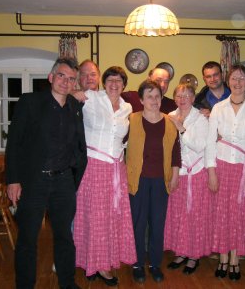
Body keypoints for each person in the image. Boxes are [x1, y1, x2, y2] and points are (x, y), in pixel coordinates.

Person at [5, 57, 87, 289]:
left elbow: (78, 145)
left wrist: (73, 179)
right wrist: (13, 179)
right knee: (28, 238)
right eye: (61, 76)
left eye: (71, 79)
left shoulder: (74, 107)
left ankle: (67, 283)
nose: (65, 82)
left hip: (63, 182)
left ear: (74, 84)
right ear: (51, 77)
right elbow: (14, 143)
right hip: (34, 181)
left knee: (64, 236)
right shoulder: (29, 102)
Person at [73, 66, 137, 286]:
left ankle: (102, 263)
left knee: (111, 218)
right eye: (110, 80)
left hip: (116, 168)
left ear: (124, 85)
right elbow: (67, 97)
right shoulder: (92, 97)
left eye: (119, 80)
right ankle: (96, 265)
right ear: (104, 82)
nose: (114, 84)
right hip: (94, 165)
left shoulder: (127, 107)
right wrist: (75, 91)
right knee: (94, 217)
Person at [206, 64, 245, 281]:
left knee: (239, 216)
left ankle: (235, 259)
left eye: (241, 79)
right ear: (228, 82)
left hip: (241, 169)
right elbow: (211, 142)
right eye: (234, 79)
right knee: (221, 214)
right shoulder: (219, 108)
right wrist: (211, 172)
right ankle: (222, 257)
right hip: (220, 166)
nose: (237, 83)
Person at [126, 79, 181, 283]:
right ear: (141, 99)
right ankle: (138, 264)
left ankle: (155, 264)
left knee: (158, 224)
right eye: (149, 96)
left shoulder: (170, 122)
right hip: (138, 181)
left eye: (157, 96)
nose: (154, 100)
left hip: (161, 181)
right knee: (138, 224)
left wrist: (175, 174)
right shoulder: (130, 119)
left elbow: (176, 151)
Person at [164, 83, 212, 275]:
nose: (182, 99)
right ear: (175, 98)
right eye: (179, 95)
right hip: (177, 173)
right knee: (179, 216)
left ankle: (194, 256)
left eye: (186, 95)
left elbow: (200, 145)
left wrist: (181, 128)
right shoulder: (169, 117)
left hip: (196, 173)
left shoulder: (200, 119)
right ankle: (181, 252)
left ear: (193, 98)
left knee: (195, 216)